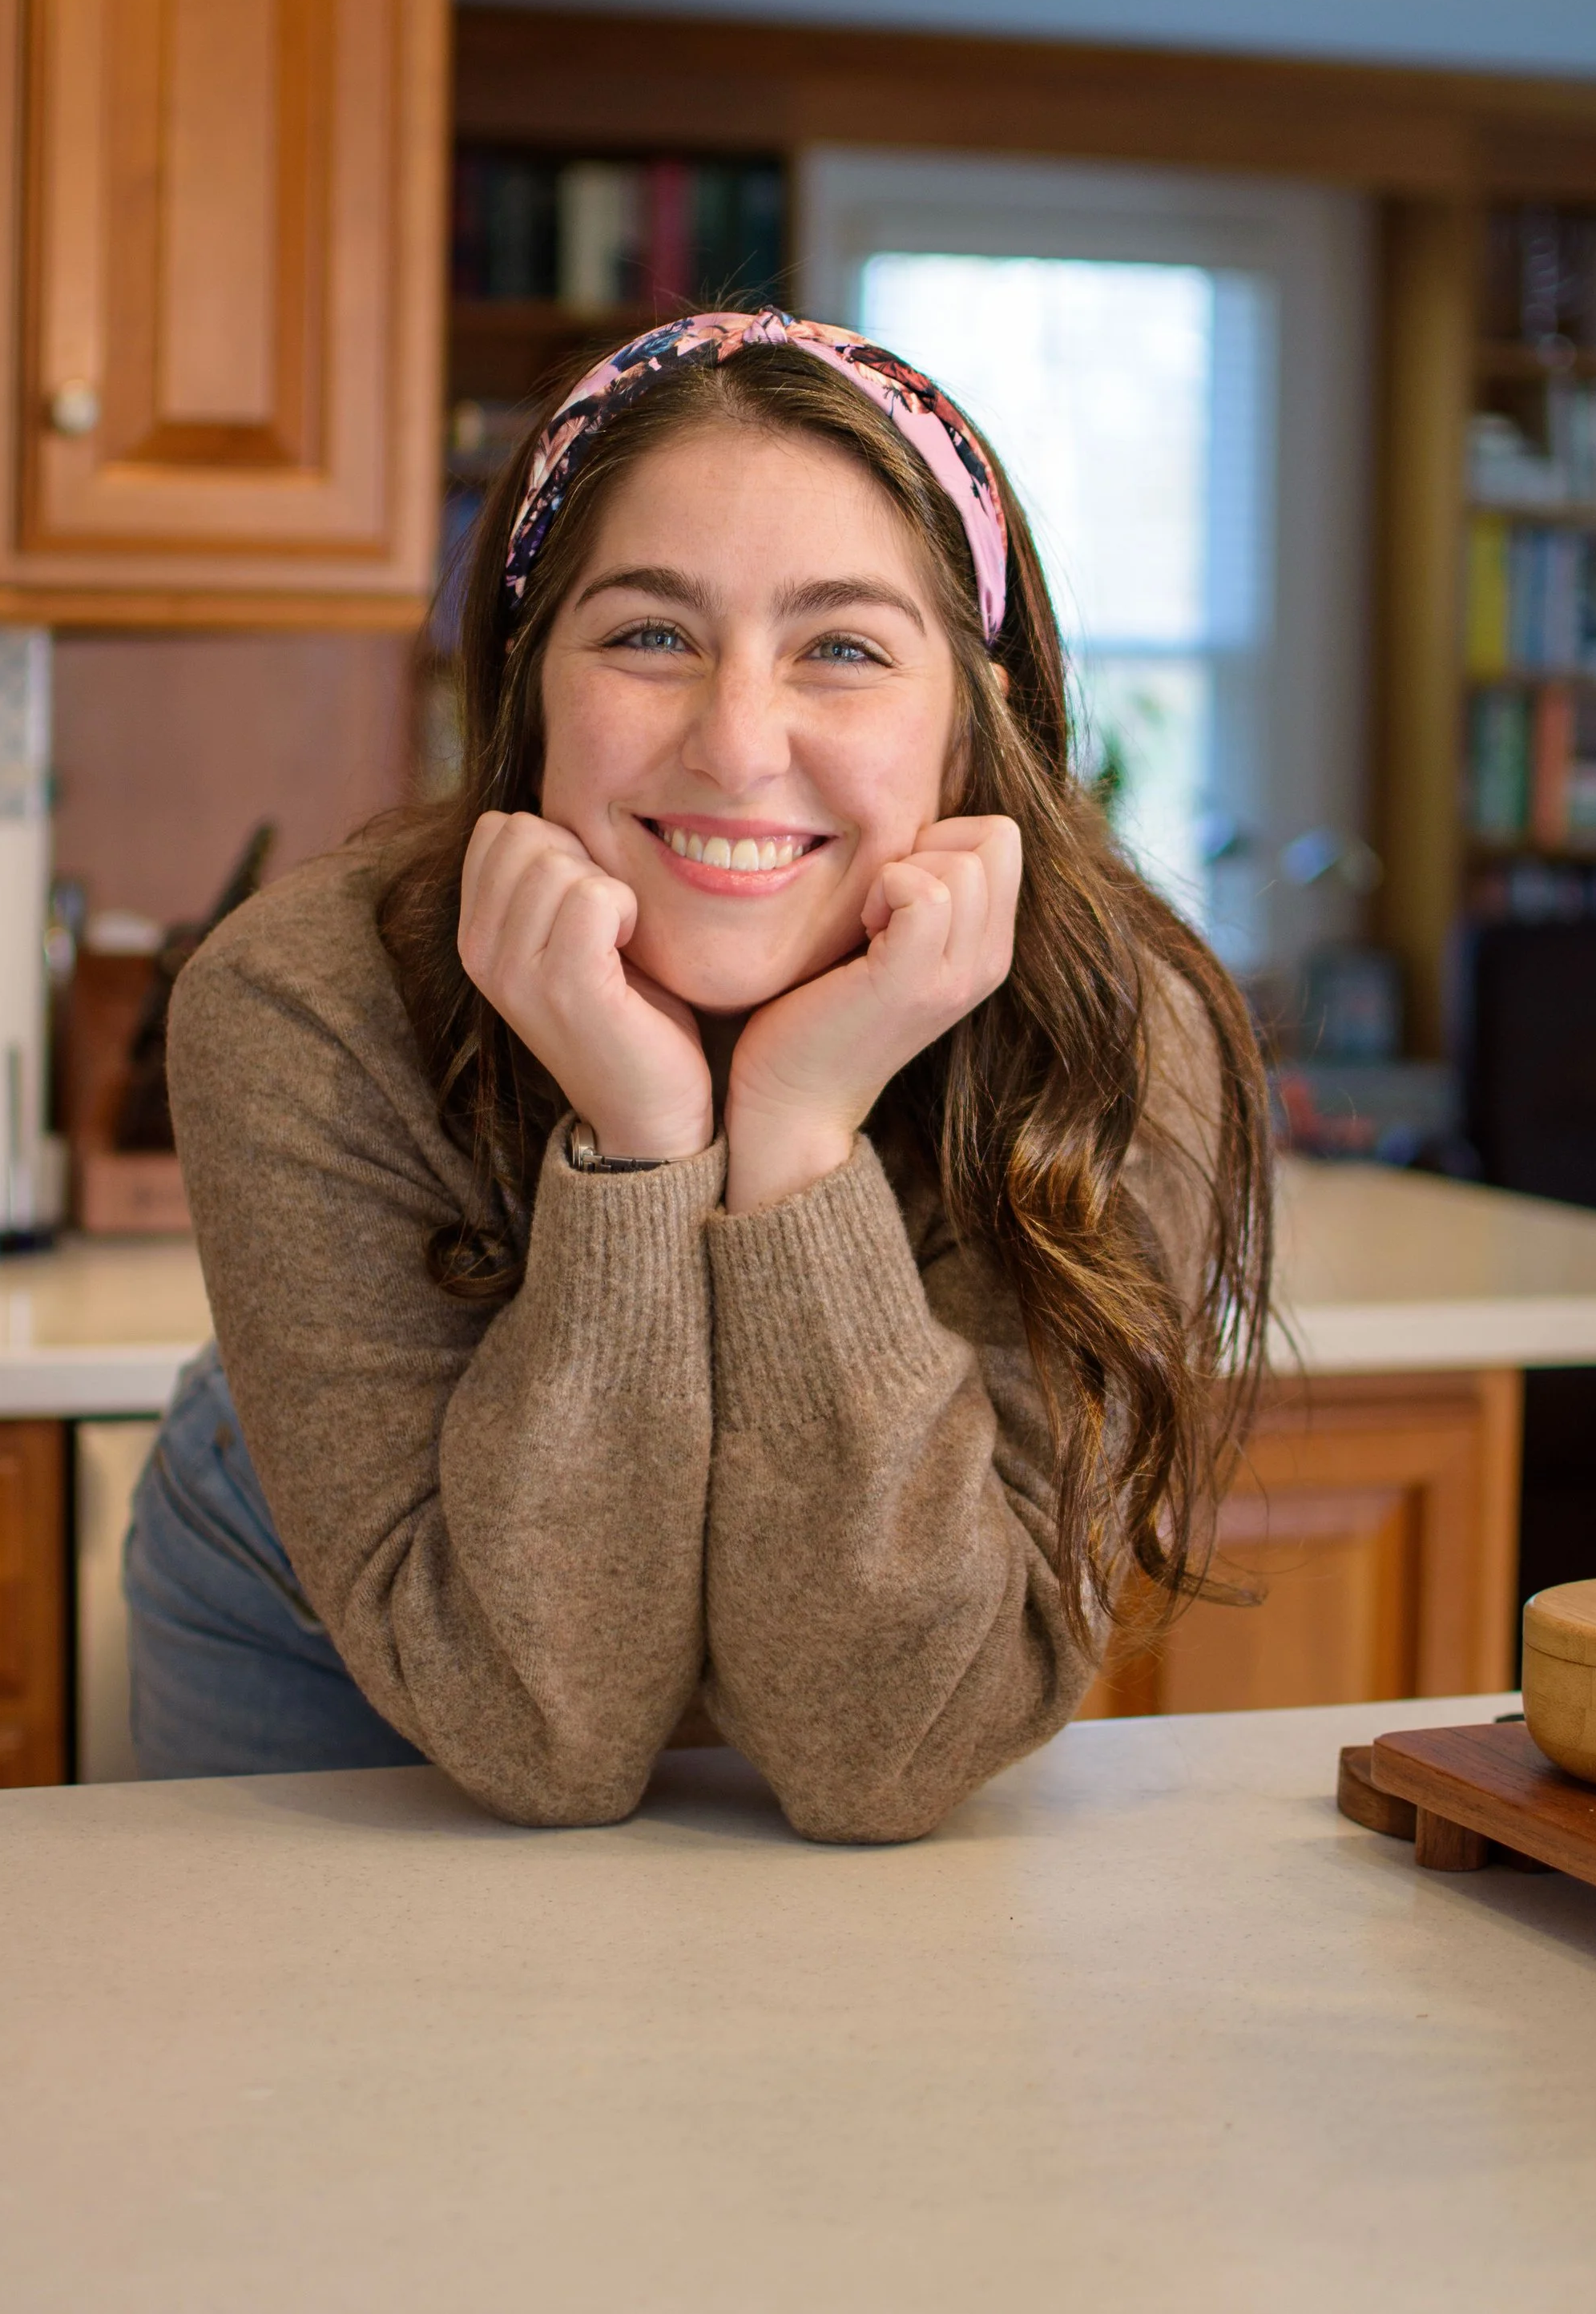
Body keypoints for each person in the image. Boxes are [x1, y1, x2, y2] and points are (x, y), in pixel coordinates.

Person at [124, 309, 1272, 1844]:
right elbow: (542, 1734)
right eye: (651, 634)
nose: (736, 747)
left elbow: (891, 1756)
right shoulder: (300, 1000)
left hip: (833, 1682)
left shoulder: (1116, 1039)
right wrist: (643, 1146)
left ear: (973, 720)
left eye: (845, 649)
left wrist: (795, 1145)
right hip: (345, 1611)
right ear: (530, 685)